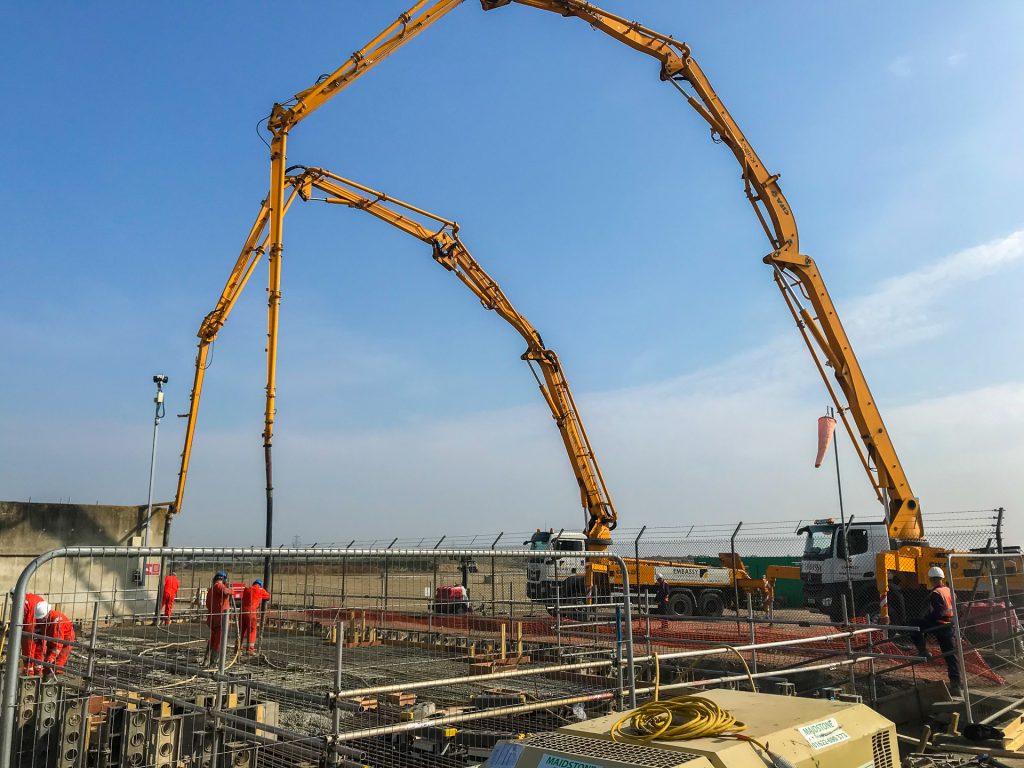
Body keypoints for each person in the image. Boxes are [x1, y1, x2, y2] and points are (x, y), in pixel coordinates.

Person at [909, 566, 961, 693]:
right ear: (942, 578)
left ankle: (923, 650)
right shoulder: (950, 591)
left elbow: (938, 612)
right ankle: (956, 685)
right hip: (949, 625)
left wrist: (927, 618)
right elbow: (955, 608)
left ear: (931, 579)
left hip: (939, 624)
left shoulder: (935, 594)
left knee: (914, 624)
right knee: (950, 655)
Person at [38, 603, 75, 678]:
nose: (40, 620)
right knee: (47, 663)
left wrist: (51, 657)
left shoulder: (56, 621)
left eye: (41, 618)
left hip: (66, 640)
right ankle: (46, 678)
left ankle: (56, 681)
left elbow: (58, 644)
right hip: (51, 637)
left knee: (57, 664)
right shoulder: (44, 618)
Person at [204, 571, 232, 663]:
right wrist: (232, 590)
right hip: (221, 618)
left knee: (213, 639)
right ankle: (213, 662)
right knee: (219, 640)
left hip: (213, 617)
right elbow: (225, 591)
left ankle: (206, 660)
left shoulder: (211, 589)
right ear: (223, 579)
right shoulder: (219, 586)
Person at [239, 579, 271, 655]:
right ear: (260, 585)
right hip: (251, 612)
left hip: (242, 611)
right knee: (252, 630)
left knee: (241, 630)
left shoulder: (246, 589)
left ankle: (238, 649)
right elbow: (268, 596)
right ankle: (250, 650)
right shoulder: (260, 589)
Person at [20, 593, 46, 675]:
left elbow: (22, 617)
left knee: (28, 653)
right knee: (39, 652)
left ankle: (29, 676)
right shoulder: (37, 597)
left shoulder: (21, 601)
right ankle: (39, 674)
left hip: (29, 629)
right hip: (41, 627)